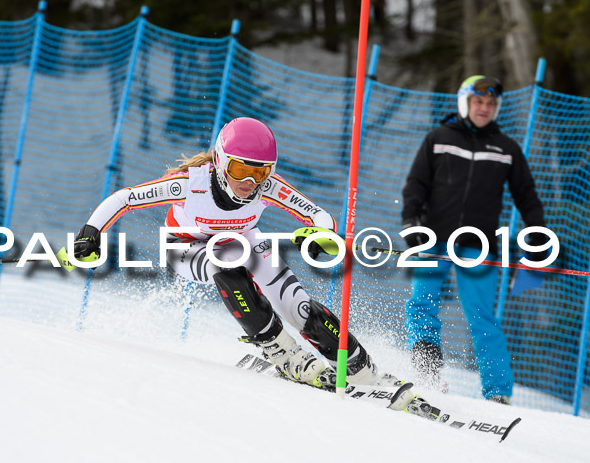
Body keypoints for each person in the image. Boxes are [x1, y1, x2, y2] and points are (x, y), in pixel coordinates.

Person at [62, 117, 431, 415]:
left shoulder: (267, 188)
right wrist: (90, 232)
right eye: (240, 170)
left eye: (261, 173)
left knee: (298, 305)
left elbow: (317, 213)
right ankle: (281, 351)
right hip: (186, 249)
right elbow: (125, 198)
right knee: (228, 259)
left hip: (242, 242)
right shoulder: (188, 185)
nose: (249, 183)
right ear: (221, 161)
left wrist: (320, 233)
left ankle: (363, 368)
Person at [401, 76, 547, 404]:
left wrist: (537, 230)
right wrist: (411, 220)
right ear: (464, 103)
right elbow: (416, 184)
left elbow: (526, 195)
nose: (484, 108)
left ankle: (497, 392)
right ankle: (426, 372)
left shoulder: (506, 149)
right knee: (422, 302)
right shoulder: (438, 138)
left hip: (478, 243)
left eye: (491, 104)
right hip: (433, 237)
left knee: (481, 314)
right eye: (478, 102)